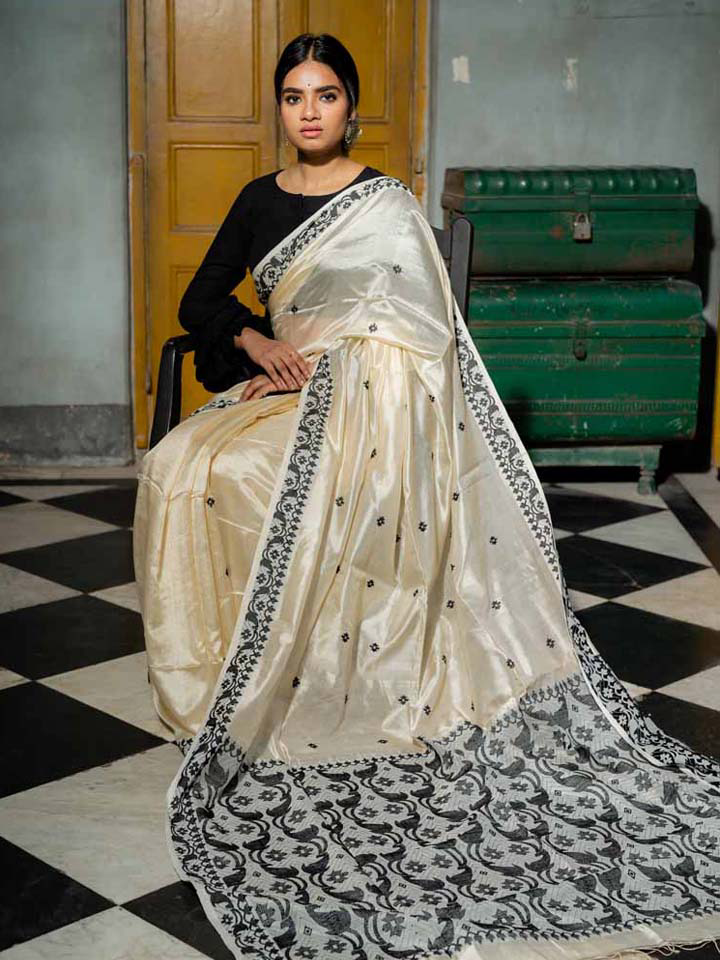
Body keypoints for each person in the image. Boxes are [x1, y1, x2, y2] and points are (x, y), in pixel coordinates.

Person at [133, 32, 720, 960]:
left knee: (258, 477)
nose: (309, 111)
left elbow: (423, 332)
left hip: (384, 404)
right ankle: (214, 675)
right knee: (181, 463)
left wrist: (352, 374)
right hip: (286, 389)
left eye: (326, 94)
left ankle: (327, 671)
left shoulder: (389, 205)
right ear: (280, 108)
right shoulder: (258, 201)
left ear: (351, 106)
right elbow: (201, 303)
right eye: (293, 96)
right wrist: (256, 345)